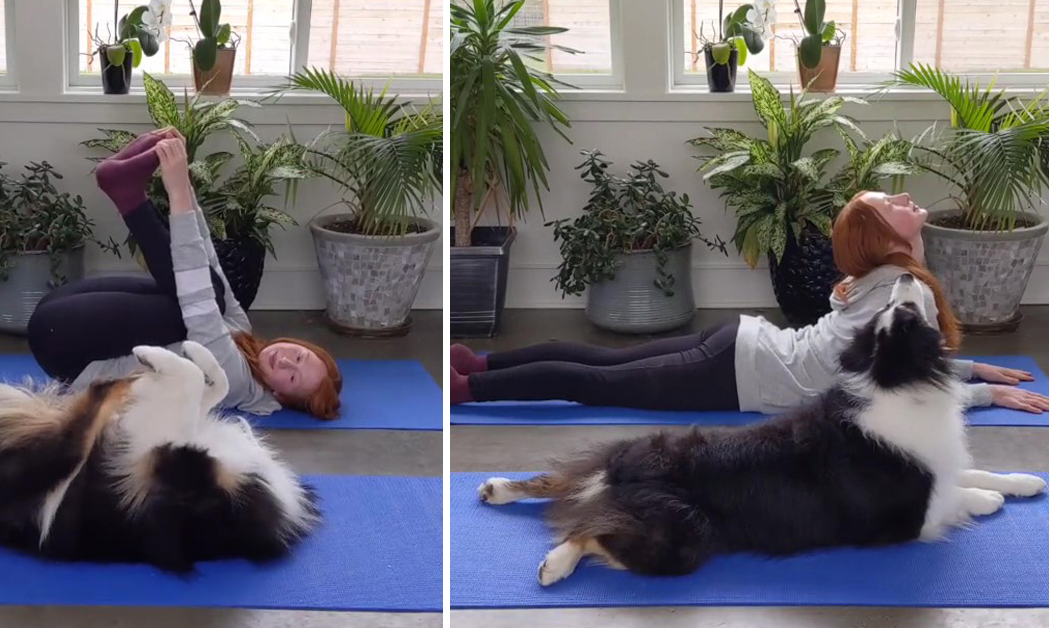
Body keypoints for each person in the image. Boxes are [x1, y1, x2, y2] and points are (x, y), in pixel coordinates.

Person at [450, 191, 1049, 415]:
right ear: (886, 237)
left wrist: (970, 371)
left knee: (598, 364)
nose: (904, 195)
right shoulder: (902, 290)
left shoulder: (884, 282)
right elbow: (905, 389)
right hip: (742, 368)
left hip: (742, 345)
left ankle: (481, 365)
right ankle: (471, 387)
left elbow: (899, 366)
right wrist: (982, 391)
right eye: (890, 201)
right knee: (596, 383)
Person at [28, 129, 343, 419]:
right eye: (299, 357)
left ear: (278, 394)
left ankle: (129, 197)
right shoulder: (243, 336)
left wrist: (176, 189)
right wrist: (186, 187)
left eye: (292, 376)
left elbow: (199, 302)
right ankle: (126, 190)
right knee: (215, 289)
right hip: (61, 312)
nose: (286, 361)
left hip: (70, 351)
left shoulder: (232, 380)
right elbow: (209, 259)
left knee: (205, 301)